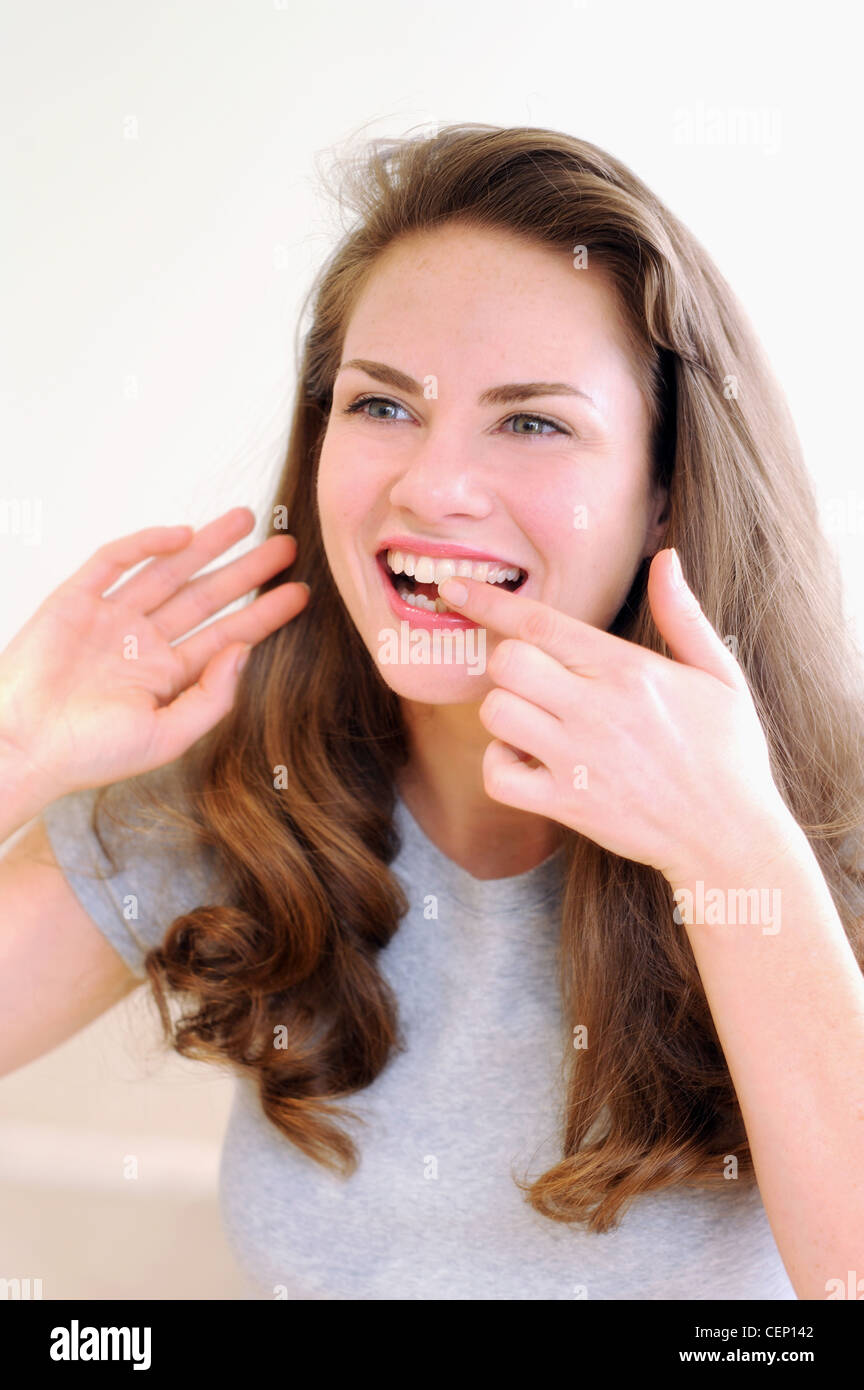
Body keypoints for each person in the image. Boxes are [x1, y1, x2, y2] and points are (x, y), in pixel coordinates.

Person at [2, 124, 863, 1301]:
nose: (434, 486)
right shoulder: (236, 797)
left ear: (664, 492)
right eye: (382, 406)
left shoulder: (830, 823)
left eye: (532, 421)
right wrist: (14, 750)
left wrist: (734, 849)